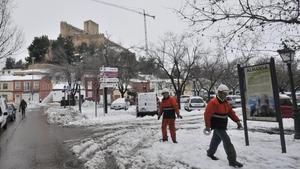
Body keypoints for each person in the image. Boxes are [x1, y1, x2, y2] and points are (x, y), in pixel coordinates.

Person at [204, 84, 243, 168]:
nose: (226, 95)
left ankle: (210, 153)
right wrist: (207, 126)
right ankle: (232, 161)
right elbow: (207, 115)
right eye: (224, 93)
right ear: (219, 92)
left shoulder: (225, 102)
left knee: (216, 140)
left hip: (222, 125)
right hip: (217, 125)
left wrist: (237, 121)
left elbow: (231, 113)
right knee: (227, 141)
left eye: (227, 93)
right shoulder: (213, 102)